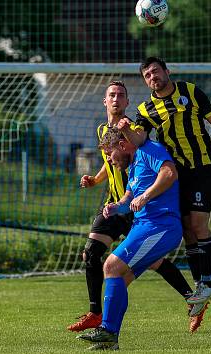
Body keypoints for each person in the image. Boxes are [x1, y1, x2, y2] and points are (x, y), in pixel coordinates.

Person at [69, 81, 206, 334]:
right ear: (105, 100)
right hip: (119, 204)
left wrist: (142, 198)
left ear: (127, 102)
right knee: (96, 257)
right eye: (112, 94)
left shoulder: (137, 138)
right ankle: (98, 316)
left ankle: (191, 297)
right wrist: (97, 181)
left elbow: (166, 171)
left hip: (146, 214)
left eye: (121, 95)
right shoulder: (105, 134)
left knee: (143, 264)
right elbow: (110, 164)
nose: (116, 99)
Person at [118, 57, 211, 306]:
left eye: (155, 72)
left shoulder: (190, 91)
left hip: (203, 166)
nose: (153, 77)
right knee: (186, 228)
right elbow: (139, 139)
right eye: (147, 76)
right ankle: (201, 285)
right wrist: (126, 129)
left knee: (197, 223)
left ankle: (206, 282)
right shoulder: (145, 110)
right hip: (179, 174)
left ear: (167, 71)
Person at [76, 127, 185, 350]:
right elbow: (128, 198)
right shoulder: (134, 166)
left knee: (111, 266)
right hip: (144, 226)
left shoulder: (149, 150)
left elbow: (169, 173)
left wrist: (145, 197)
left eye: (110, 154)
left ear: (123, 146)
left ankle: (107, 330)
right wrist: (116, 207)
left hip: (160, 226)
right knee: (119, 279)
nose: (109, 161)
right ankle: (110, 338)